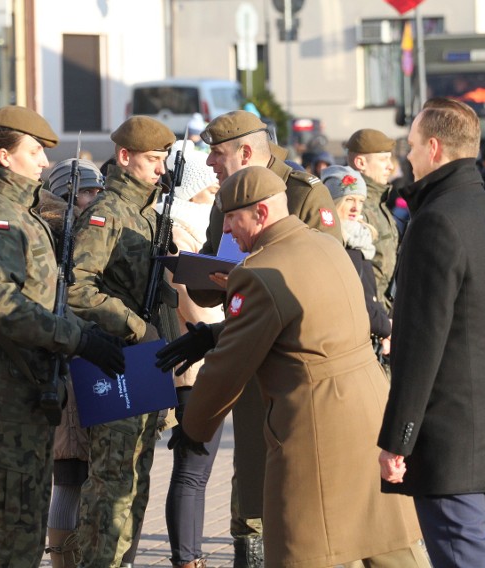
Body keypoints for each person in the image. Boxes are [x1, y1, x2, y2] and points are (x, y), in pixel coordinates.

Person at [159, 166, 427, 567]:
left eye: (233, 218)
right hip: (369, 414)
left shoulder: (258, 272)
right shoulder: (327, 246)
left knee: (305, 552)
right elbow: (308, 328)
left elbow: (228, 370)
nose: (228, 231)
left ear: (262, 213)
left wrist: (196, 428)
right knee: (387, 545)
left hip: (315, 430)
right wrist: (214, 335)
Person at [0, 105, 125, 568]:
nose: (44, 162)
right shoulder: (0, 215)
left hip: (26, 380)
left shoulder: (19, 208)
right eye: (34, 151)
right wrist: (78, 339)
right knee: (11, 535)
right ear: (6, 157)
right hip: (6, 385)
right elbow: (1, 305)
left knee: (24, 531)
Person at [378, 98, 485, 568]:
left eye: (413, 145)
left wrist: (397, 440)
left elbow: (420, 345)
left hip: (449, 437)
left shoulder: (436, 221)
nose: (408, 156)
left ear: (435, 148)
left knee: (466, 558)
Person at [192, 110, 343, 566]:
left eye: (217, 154)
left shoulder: (303, 193)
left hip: (296, 358)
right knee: (252, 468)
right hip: (247, 343)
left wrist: (248, 281)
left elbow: (330, 276)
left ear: (244, 151)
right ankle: (249, 552)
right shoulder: (227, 197)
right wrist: (199, 274)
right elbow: (214, 265)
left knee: (301, 471)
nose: (211, 164)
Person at [67, 115, 175, 568]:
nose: (159, 168)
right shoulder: (107, 212)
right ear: (126, 157)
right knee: (111, 486)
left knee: (137, 483)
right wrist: (133, 324)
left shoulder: (149, 212)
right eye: (152, 159)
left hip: (147, 361)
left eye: (164, 159)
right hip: (115, 361)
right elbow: (76, 288)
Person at [40, 158, 106, 568]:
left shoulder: (83, 232)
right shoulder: (56, 234)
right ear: (68, 194)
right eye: (88, 192)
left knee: (81, 475)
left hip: (85, 361)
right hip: (63, 366)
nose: (96, 199)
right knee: (67, 476)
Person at [161, 140, 222, 568]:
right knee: (193, 468)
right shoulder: (178, 232)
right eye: (208, 176)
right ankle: (188, 559)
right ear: (192, 184)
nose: (217, 181)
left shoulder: (197, 226)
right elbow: (192, 304)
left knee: (197, 467)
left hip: (211, 359)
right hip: (193, 367)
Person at [322, 165, 392, 357]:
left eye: (360, 201)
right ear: (333, 202)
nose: (356, 207)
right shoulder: (338, 244)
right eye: (349, 200)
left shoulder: (361, 239)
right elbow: (359, 300)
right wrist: (386, 326)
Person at [346, 128, 399, 315]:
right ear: (360, 162)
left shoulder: (377, 201)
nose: (390, 166)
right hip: (372, 317)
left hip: (385, 313)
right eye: (383, 159)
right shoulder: (357, 207)